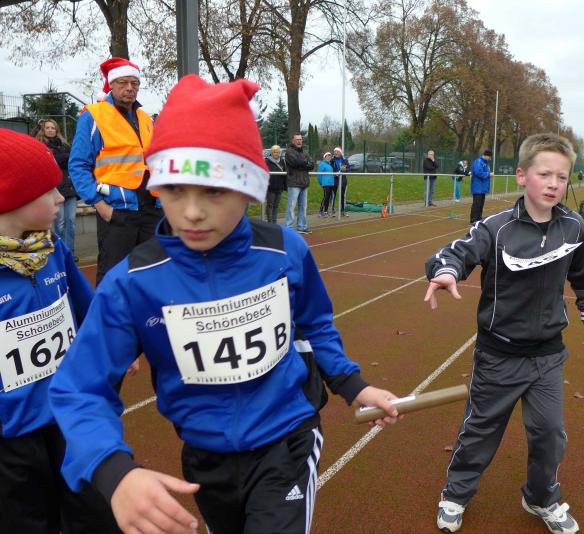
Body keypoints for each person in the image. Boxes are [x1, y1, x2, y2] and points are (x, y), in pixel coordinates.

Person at [49, 75, 400, 534]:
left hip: (286, 443)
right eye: (174, 189)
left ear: (249, 188)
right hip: (204, 459)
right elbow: (80, 388)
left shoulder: (285, 251)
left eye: (214, 190)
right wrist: (114, 472)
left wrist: (353, 385)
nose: (192, 212)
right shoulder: (131, 282)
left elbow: (315, 323)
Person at [424, 133, 584, 534]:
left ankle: (540, 497)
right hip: (498, 356)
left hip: (547, 355)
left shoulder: (575, 228)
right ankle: (456, 493)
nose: (554, 184)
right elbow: (454, 253)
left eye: (561, 176)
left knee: (549, 434)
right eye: (544, 174)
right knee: (480, 431)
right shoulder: (495, 229)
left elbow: (583, 277)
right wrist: (447, 272)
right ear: (522, 176)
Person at [0, 129, 120, 533]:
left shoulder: (52, 248)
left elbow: (87, 307)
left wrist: (111, 348)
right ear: (11, 199)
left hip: (69, 415)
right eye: (47, 190)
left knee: (95, 514)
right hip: (13, 439)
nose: (59, 197)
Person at [69, 57, 161, 285]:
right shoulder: (93, 115)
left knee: (153, 273)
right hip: (117, 211)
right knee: (113, 277)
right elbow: (78, 165)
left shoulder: (145, 118)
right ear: (111, 84)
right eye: (123, 82)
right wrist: (100, 205)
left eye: (134, 83)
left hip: (151, 209)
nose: (130, 88)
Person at [36, 119, 78, 259]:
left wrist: (61, 158)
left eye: (53, 128)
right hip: (55, 189)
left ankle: (70, 253)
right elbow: (51, 161)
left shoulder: (65, 145)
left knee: (71, 222)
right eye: (47, 127)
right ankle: (61, 252)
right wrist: (64, 157)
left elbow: (72, 160)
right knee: (59, 223)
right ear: (43, 130)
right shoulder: (41, 145)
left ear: (56, 130)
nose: (50, 130)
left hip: (70, 188)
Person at [264, 145, 287, 224]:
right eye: (274, 152)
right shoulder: (267, 161)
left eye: (277, 152)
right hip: (270, 187)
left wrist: (285, 186)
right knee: (270, 205)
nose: (276, 153)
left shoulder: (282, 161)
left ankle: (274, 221)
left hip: (279, 187)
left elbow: (285, 173)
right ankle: (270, 222)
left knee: (276, 205)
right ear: (271, 153)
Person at [469, 149, 492, 223]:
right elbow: (478, 172)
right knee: (477, 204)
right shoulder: (478, 162)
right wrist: (488, 174)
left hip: (482, 188)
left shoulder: (486, 163)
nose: (490, 159)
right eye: (490, 157)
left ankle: (479, 218)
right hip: (478, 187)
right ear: (486, 155)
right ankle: (473, 219)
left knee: (481, 204)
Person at [331, 146, 350, 216]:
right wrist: (334, 173)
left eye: (337, 151)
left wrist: (344, 170)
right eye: (335, 151)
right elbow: (329, 169)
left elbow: (348, 169)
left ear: (340, 153)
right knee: (333, 195)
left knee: (343, 195)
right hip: (334, 180)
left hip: (343, 180)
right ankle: (332, 210)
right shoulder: (331, 160)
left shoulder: (344, 160)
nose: (336, 153)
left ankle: (342, 211)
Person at [317, 151, 335, 217]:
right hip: (325, 184)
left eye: (330, 156)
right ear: (324, 157)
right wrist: (321, 183)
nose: (329, 157)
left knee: (328, 197)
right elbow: (319, 175)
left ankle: (326, 211)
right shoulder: (322, 164)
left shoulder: (329, 165)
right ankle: (321, 211)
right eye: (328, 156)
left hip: (330, 183)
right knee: (325, 197)